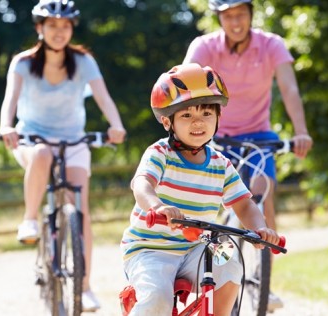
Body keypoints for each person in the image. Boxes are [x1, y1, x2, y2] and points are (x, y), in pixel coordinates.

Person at [120, 63, 281, 316]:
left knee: (230, 262)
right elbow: (142, 185)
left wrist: (260, 227)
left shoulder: (221, 164)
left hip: (198, 245)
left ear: (218, 117)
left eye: (206, 113)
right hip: (150, 249)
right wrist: (157, 206)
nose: (198, 122)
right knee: (157, 300)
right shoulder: (159, 153)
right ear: (167, 121)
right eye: (186, 115)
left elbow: (244, 204)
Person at [183, 0, 313, 309]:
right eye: (228, 16)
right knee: (204, 201)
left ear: (251, 15)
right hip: (215, 136)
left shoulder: (271, 45)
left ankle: (261, 284)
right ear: (219, 18)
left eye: (241, 13)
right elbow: (183, 81)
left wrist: (301, 131)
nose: (235, 21)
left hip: (258, 136)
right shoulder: (205, 46)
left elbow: (289, 88)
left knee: (261, 192)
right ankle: (198, 268)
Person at [0, 0, 126, 311]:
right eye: (52, 25)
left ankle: (85, 286)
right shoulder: (23, 63)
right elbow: (10, 100)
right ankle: (30, 220)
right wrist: (6, 126)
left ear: (72, 29)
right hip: (32, 138)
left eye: (65, 25)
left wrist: (116, 125)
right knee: (41, 154)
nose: (59, 31)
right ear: (39, 28)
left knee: (79, 208)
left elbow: (103, 97)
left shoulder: (83, 62)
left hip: (73, 140)